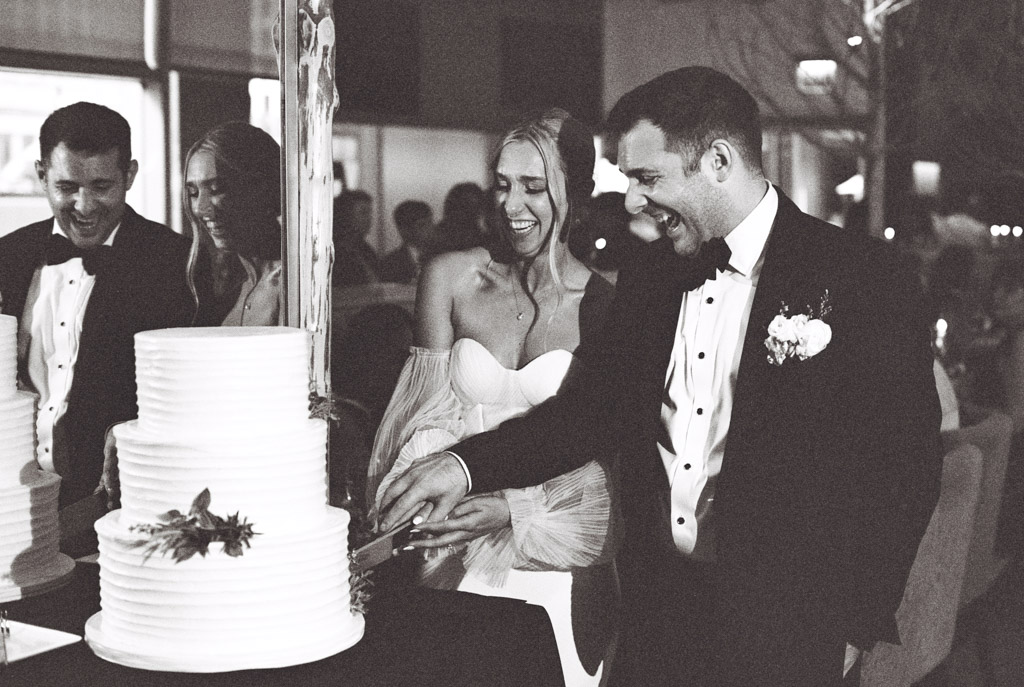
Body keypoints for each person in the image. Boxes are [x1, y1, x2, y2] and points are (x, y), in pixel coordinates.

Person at [378, 67, 943, 686]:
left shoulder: (863, 277)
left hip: (787, 625)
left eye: (648, 178)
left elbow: (906, 467)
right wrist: (462, 465)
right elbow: (589, 412)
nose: (633, 202)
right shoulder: (651, 275)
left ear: (719, 161)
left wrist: (854, 622)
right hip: (658, 615)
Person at [367, 108, 617, 687]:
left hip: (557, 554)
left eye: (534, 187)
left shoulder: (607, 305)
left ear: (574, 195)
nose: (511, 205)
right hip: (451, 549)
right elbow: (421, 416)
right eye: (503, 185)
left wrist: (514, 507)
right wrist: (438, 500)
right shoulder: (451, 275)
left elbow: (608, 453)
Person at [0, 102, 194, 509]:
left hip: (116, 502)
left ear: (130, 176)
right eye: (66, 187)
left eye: (102, 187)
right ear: (41, 176)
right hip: (12, 497)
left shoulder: (176, 263)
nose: (84, 206)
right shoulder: (9, 255)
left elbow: (187, 395)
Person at [183, 121, 283, 326]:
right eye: (193, 193)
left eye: (217, 189)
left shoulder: (292, 284)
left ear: (259, 189)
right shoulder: (228, 283)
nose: (200, 208)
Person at [332, 189, 380, 286]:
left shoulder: (367, 251)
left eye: (370, 213)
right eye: (363, 212)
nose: (369, 218)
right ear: (346, 215)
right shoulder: (335, 251)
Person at [379, 200, 433, 284]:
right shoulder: (390, 264)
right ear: (404, 230)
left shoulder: (442, 257)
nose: (429, 229)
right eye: (422, 225)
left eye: (430, 223)